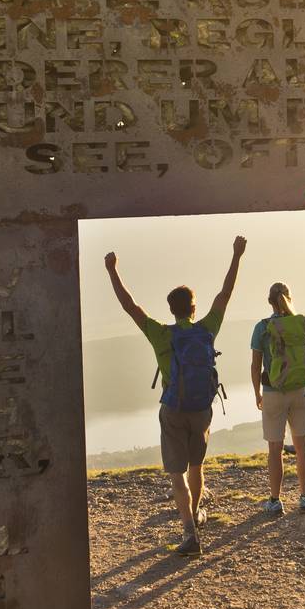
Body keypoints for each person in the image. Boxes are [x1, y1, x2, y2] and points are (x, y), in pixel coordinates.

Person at [104, 235, 246, 557]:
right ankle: (196, 515)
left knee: (177, 473)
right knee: (196, 467)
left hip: (172, 410)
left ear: (171, 309)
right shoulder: (207, 328)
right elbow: (225, 294)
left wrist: (112, 270)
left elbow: (130, 307)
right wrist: (236, 255)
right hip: (202, 409)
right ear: (194, 309)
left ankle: (189, 531)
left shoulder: (161, 334)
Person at [250, 282, 305, 515]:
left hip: (273, 392)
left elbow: (255, 364)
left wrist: (257, 392)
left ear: (269, 301)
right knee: (303, 446)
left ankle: (275, 500)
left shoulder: (262, 328)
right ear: (289, 297)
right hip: (301, 389)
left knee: (275, 449)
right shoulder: (301, 323)